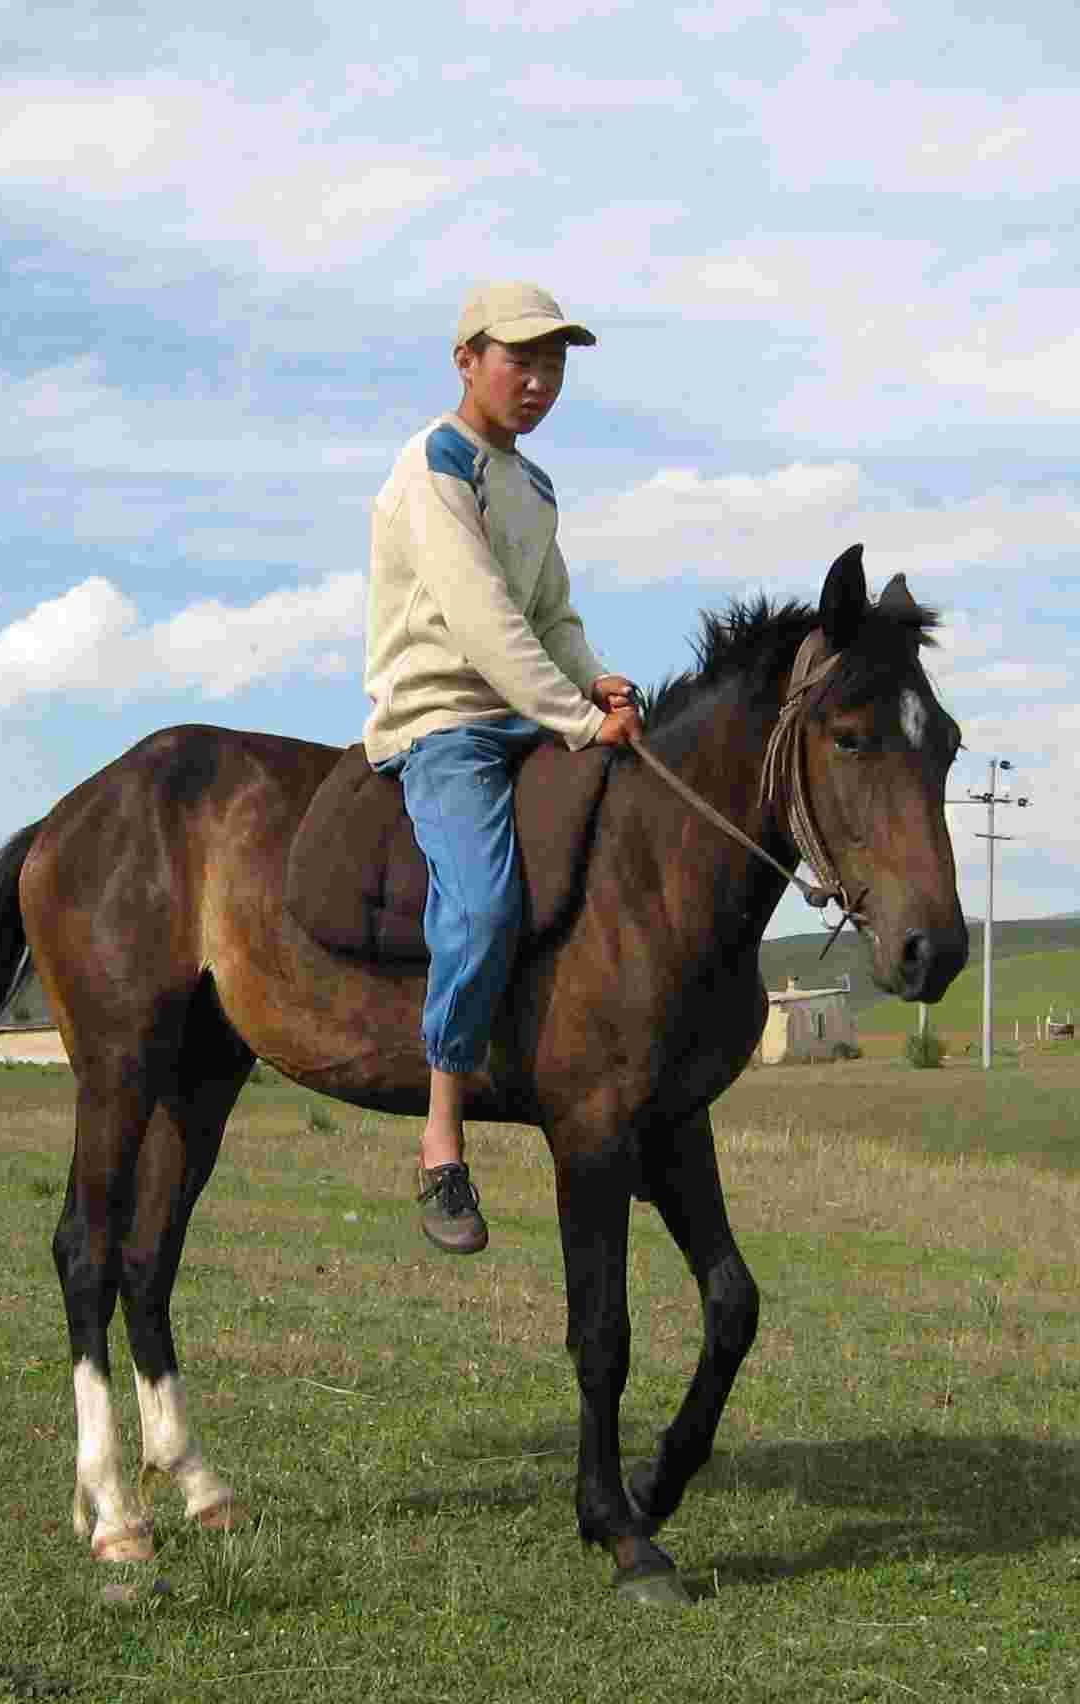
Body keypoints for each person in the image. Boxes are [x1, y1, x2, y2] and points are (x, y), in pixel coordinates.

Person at [361, 282, 642, 1255]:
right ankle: (442, 1138)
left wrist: (595, 682)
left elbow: (549, 614)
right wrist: (571, 715)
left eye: (553, 362)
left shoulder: (535, 486)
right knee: (479, 907)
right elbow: (480, 618)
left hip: (525, 714)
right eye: (520, 359)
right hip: (444, 719)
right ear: (466, 360)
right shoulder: (437, 463)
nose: (538, 379)